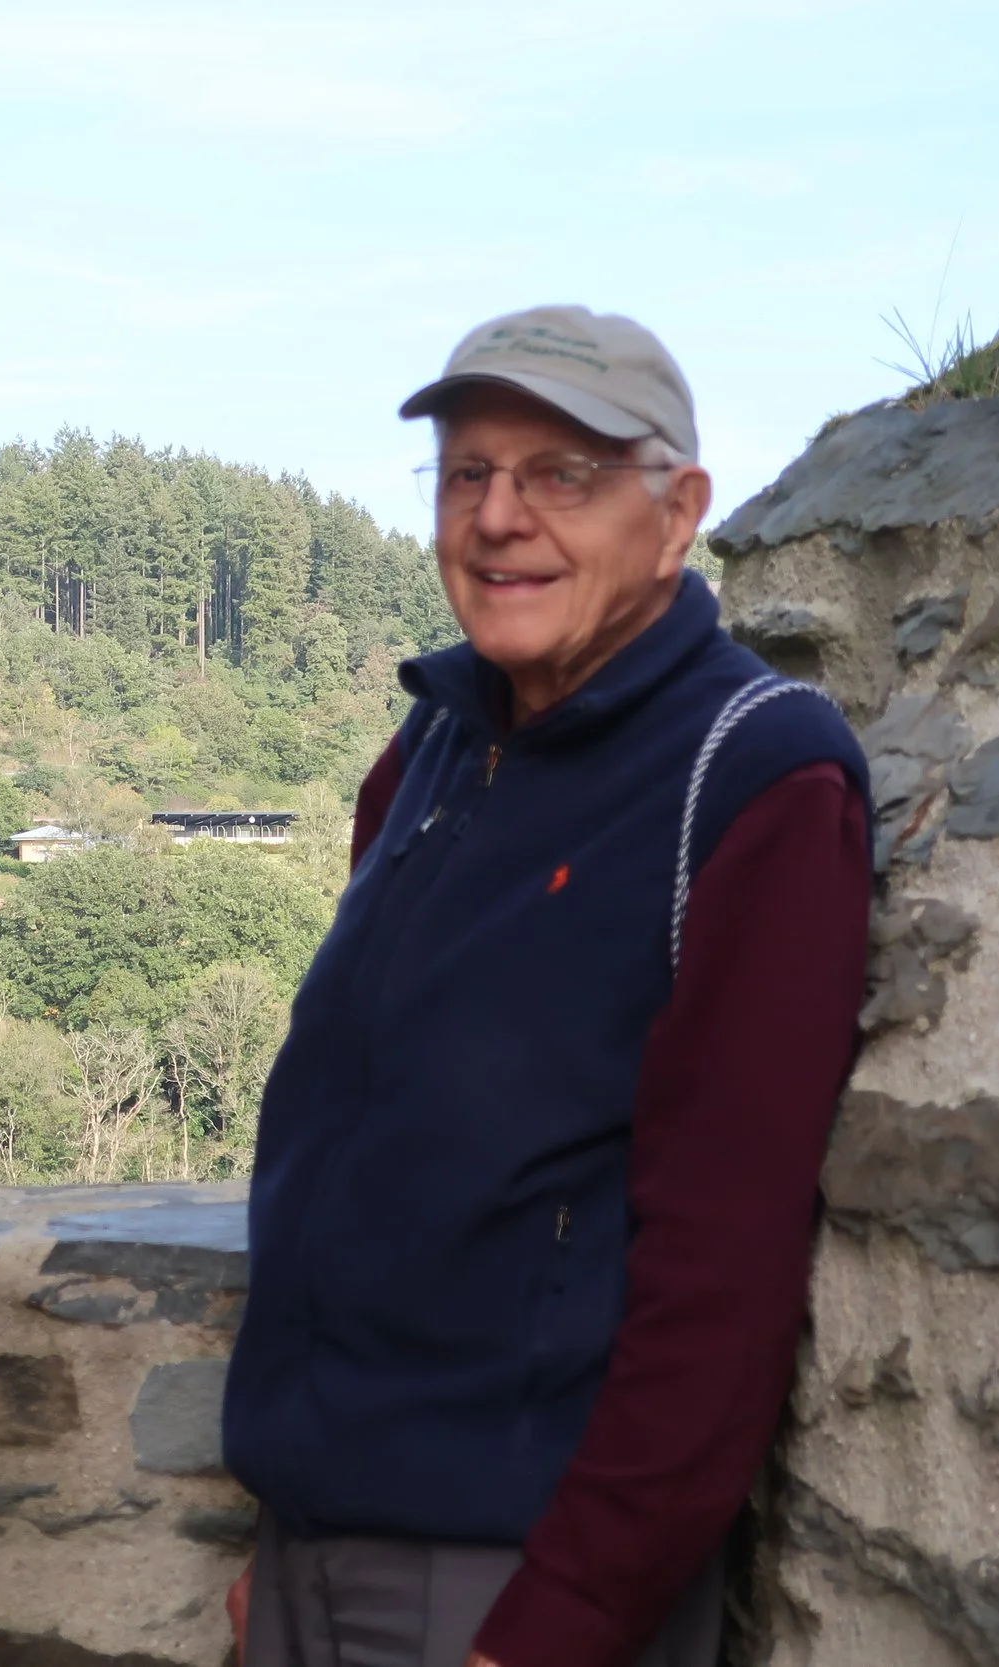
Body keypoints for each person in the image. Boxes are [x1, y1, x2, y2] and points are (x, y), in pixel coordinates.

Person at [221, 306, 873, 1667]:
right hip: (320, 1551)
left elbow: (724, 1261)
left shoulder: (752, 778)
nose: (501, 517)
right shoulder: (435, 749)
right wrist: (292, 1543)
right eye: (469, 474)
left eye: (562, 474)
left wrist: (567, 1615)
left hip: (517, 1578)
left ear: (678, 510)